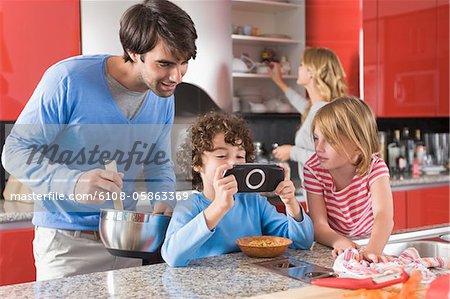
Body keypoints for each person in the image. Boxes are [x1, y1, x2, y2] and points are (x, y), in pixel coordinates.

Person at [1, 0, 197, 280]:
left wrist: (162, 199)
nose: (176, 76)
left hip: (127, 245)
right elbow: (15, 152)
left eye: (183, 63)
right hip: (68, 244)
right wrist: (73, 183)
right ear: (133, 51)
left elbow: (157, 162)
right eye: (164, 64)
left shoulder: (162, 95)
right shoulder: (68, 79)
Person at [161, 112, 314, 267]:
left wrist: (290, 203)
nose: (233, 163)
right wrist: (219, 207)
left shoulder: (254, 202)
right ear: (197, 164)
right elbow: (173, 256)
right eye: (221, 156)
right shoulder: (189, 206)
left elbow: (302, 242)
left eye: (240, 156)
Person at [303, 96, 393, 263]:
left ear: (357, 147)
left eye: (329, 140)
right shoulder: (313, 169)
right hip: (330, 245)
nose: (318, 148)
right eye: (316, 138)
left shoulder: (375, 168)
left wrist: (372, 250)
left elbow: (384, 216)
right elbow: (318, 224)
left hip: (370, 241)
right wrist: (339, 241)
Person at [269, 47, 347, 184]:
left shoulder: (321, 110)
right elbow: (301, 104)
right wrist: (279, 82)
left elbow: (332, 159)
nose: (298, 69)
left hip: (325, 199)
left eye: (301, 65)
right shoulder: (318, 108)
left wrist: (292, 152)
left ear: (311, 72)